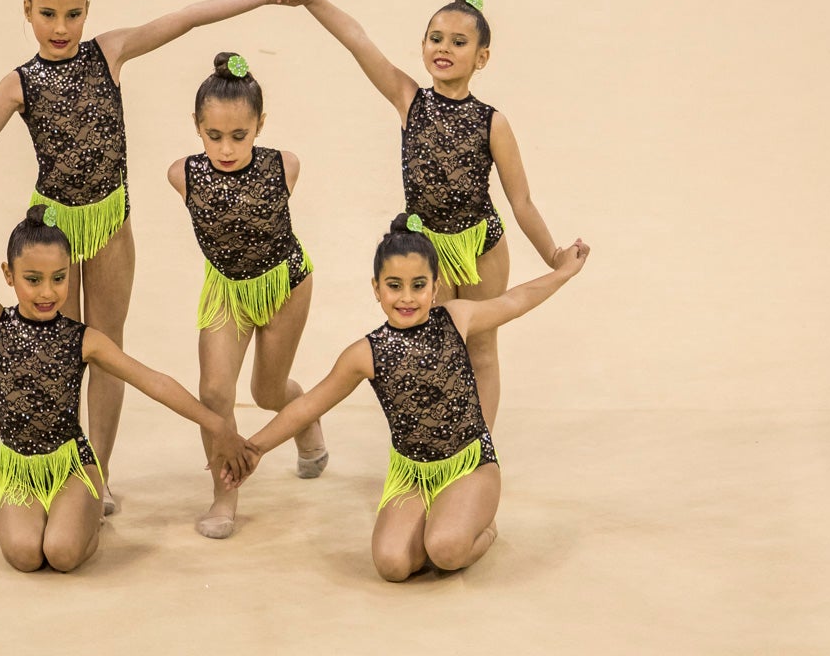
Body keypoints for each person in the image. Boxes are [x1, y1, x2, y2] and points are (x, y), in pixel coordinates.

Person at [0, 0, 299, 514]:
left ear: (88, 11)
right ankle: (68, 464)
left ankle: (98, 471)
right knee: (62, 347)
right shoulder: (19, 83)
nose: (61, 28)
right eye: (48, 14)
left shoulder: (109, 53)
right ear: (27, 10)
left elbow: (185, 18)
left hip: (108, 223)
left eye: (74, 14)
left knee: (105, 348)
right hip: (54, 229)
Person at [0, 175, 255, 573]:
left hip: (71, 465)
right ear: (9, 275)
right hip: (22, 468)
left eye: (59, 279)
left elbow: (152, 381)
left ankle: (88, 509)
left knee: (61, 553)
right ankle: (54, 513)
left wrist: (217, 424)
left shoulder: (83, 339)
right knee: (24, 554)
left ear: (69, 272)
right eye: (33, 279)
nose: (47, 292)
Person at [269, 0, 562, 432]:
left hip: (481, 245)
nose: (444, 48)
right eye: (435, 38)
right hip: (428, 251)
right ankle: (439, 438)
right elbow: (357, 41)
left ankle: (480, 447)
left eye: (459, 42)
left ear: (482, 57)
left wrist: (554, 255)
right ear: (423, 45)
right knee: (435, 346)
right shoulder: (410, 101)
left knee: (482, 349)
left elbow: (520, 200)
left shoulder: (492, 123)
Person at [229, 214, 589, 581]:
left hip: (470, 462)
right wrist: (255, 448)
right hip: (413, 473)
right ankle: (443, 518)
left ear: (435, 286)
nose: (406, 297)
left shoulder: (456, 318)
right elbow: (309, 405)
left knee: (445, 551)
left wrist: (563, 271)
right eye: (394, 285)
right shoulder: (365, 354)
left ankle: (483, 528)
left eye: (418, 285)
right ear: (376, 288)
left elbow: (514, 301)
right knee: (392, 565)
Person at [166, 52, 327, 539]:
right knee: (215, 392)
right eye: (213, 135)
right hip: (227, 290)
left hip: (284, 284)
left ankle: (305, 421)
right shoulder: (183, 174)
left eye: (240, 135)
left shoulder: (284, 166)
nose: (227, 148)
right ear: (197, 126)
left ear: (260, 124)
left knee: (267, 393)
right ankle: (224, 494)